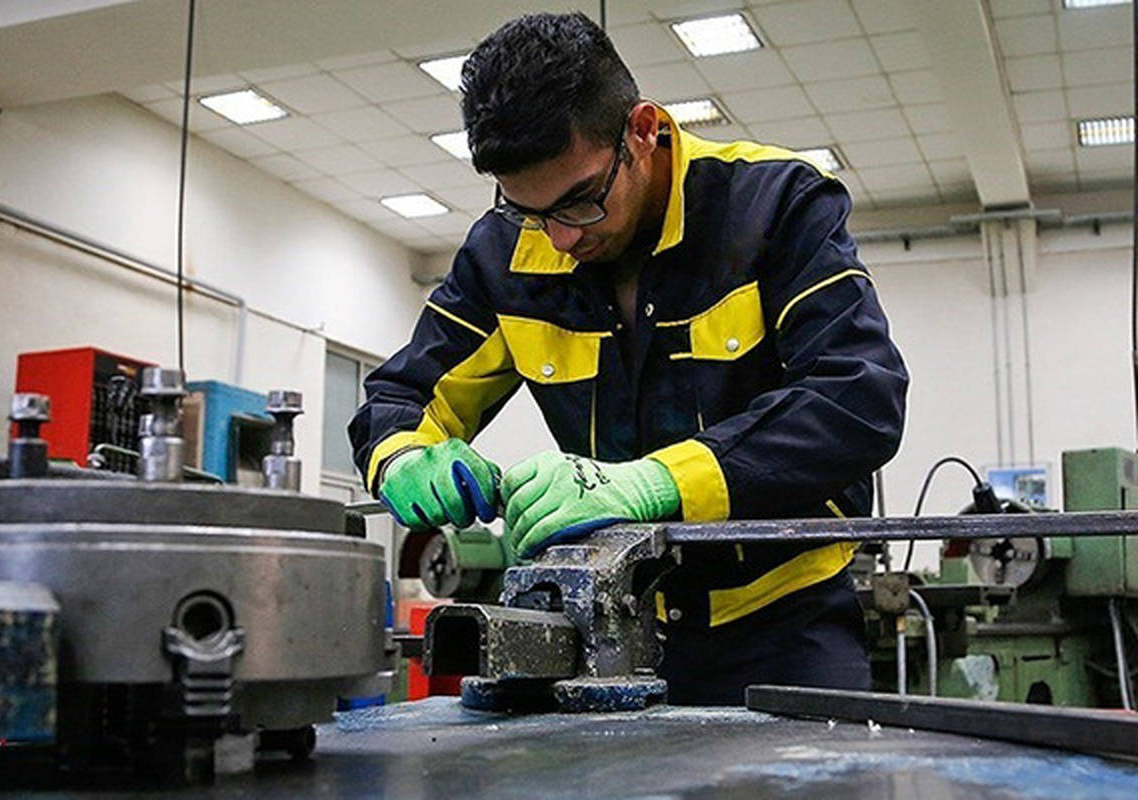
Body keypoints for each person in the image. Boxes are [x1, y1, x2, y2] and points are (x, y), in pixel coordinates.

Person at [349, 12, 908, 704]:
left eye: (580, 201)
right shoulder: (504, 256)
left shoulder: (775, 206)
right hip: (603, 630)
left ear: (642, 130)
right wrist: (405, 457)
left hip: (783, 626)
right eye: (529, 210)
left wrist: (651, 485)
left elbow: (858, 398)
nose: (559, 238)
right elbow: (400, 397)